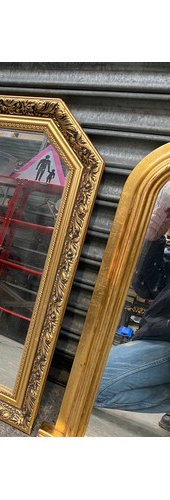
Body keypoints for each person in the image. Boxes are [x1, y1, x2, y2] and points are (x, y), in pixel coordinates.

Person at [94, 181, 170, 432]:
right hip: (159, 340)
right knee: (87, 380)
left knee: (89, 383)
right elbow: (147, 286)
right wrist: (153, 239)